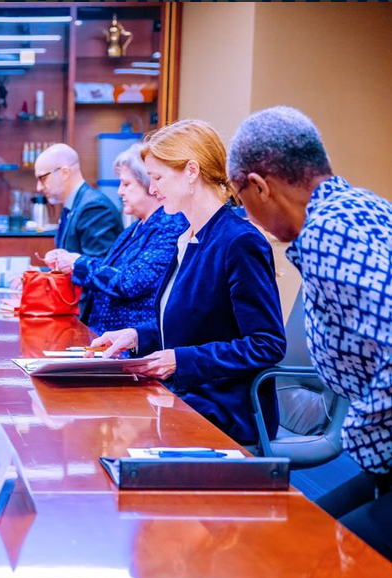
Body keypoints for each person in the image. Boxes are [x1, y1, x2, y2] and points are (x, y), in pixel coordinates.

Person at [229, 106, 391, 558]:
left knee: (317, 563)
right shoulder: (363, 205)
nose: (250, 216)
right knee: (309, 536)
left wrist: (364, 434)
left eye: (244, 200)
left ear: (259, 185)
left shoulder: (327, 235)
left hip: (386, 451)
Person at [90, 119, 287, 446]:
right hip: (188, 392)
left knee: (119, 431)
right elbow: (193, 327)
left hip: (226, 406)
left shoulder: (239, 242)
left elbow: (267, 343)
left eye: (157, 178)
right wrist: (138, 335)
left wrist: (181, 361)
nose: (153, 189)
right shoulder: (188, 238)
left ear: (191, 172)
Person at [40, 144, 187, 334]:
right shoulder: (134, 229)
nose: (119, 191)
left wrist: (78, 262)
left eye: (126, 184)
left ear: (149, 185)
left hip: (133, 343)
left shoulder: (169, 226)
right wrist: (68, 264)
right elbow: (109, 269)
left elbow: (130, 282)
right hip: (103, 336)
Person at [34, 143, 123, 257]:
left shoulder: (93, 208)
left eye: (43, 178)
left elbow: (99, 267)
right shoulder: (74, 204)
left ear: (64, 173)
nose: (39, 187)